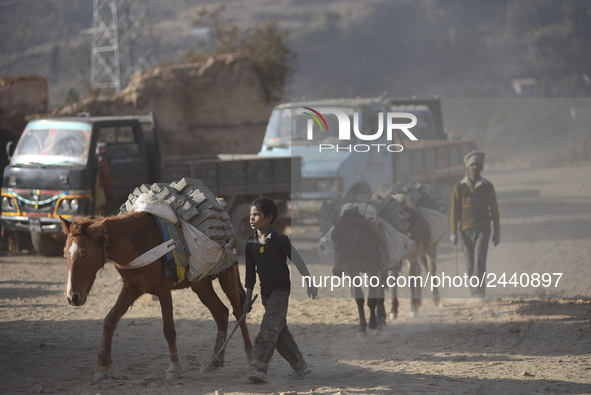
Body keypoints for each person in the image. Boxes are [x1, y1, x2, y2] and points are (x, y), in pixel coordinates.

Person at [242, 197, 318, 383]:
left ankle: (259, 367)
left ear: (268, 218)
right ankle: (299, 366)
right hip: (266, 293)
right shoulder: (250, 243)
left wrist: (309, 281)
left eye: (256, 215)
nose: (252, 218)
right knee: (278, 331)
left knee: (268, 328)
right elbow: (250, 274)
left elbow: (297, 260)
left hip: (281, 290)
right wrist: (247, 298)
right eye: (251, 214)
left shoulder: (280, 240)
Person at [450, 150, 500, 299]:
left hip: (483, 229)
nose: (475, 169)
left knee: (479, 260)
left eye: (478, 166)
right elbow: (454, 211)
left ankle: (479, 293)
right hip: (465, 230)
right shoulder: (459, 187)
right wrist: (453, 233)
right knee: (469, 263)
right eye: (472, 166)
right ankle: (474, 292)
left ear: (481, 168)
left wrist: (497, 231)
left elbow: (495, 211)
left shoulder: (488, 187)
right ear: (467, 168)